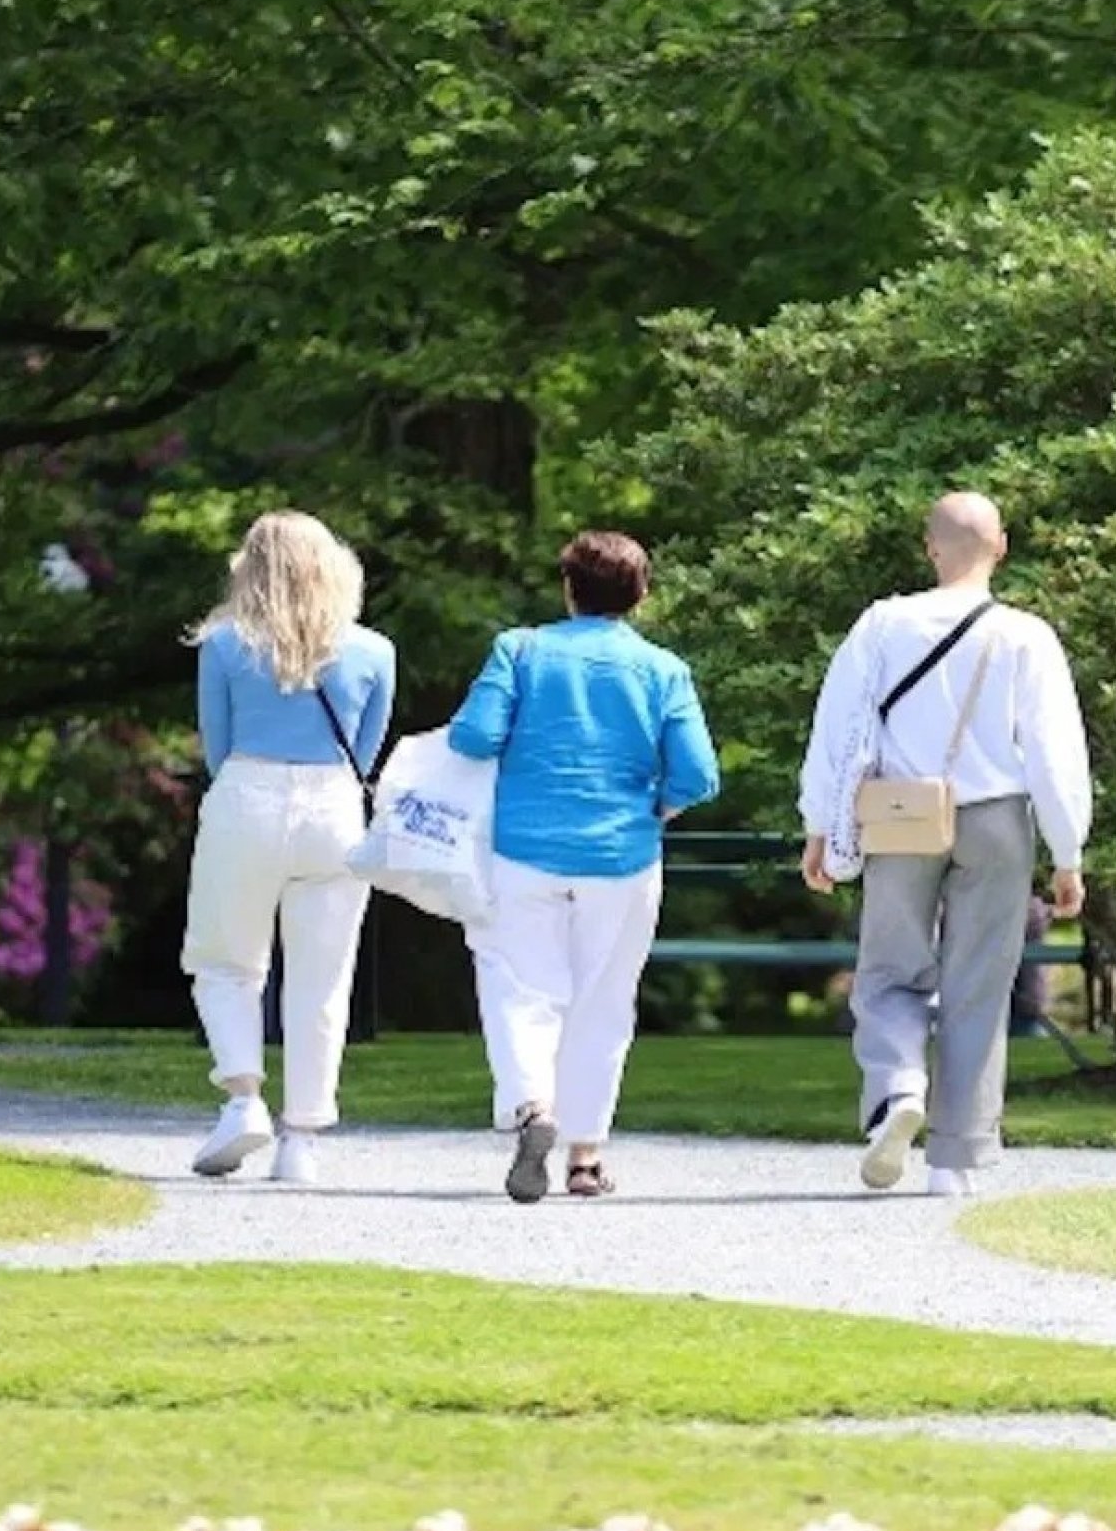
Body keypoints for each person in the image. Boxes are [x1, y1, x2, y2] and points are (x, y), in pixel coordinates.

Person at [799, 492, 1091, 1197]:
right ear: (1002, 546)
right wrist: (1067, 851)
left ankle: (899, 1087)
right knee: (978, 987)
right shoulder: (1025, 635)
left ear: (930, 548)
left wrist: (818, 824)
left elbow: (836, 729)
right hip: (995, 818)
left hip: (902, 816)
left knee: (889, 971)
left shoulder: (881, 624)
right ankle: (955, 1162)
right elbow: (1054, 752)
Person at [449, 530, 720, 1203]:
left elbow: (474, 735)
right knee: (603, 1002)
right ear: (641, 594)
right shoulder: (663, 670)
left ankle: (532, 1110)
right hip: (623, 856)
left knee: (519, 988)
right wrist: (660, 806)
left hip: (523, 849)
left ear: (568, 589)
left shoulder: (519, 649)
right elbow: (698, 774)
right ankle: (585, 1158)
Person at [182, 510, 395, 1185]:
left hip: (248, 791)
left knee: (225, 961)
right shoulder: (373, 650)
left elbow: (216, 747)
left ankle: (243, 1098)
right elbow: (364, 752)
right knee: (322, 980)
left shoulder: (222, 645)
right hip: (335, 806)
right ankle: (300, 1138)